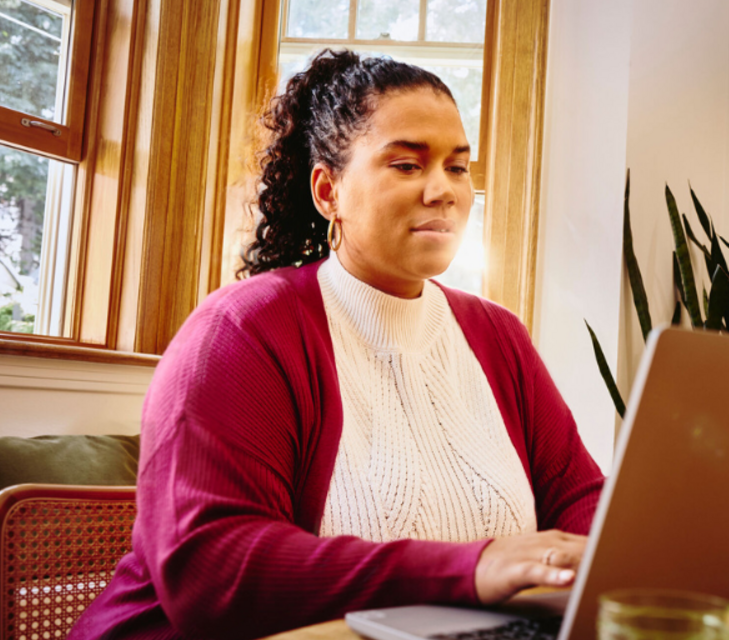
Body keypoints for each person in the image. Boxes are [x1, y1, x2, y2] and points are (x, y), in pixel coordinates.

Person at [69, 49, 603, 640]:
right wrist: (474, 568)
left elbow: (581, 498)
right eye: (406, 165)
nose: (443, 191)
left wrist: (605, 562)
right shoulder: (243, 331)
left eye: (458, 167)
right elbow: (214, 568)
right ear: (329, 192)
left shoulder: (499, 336)